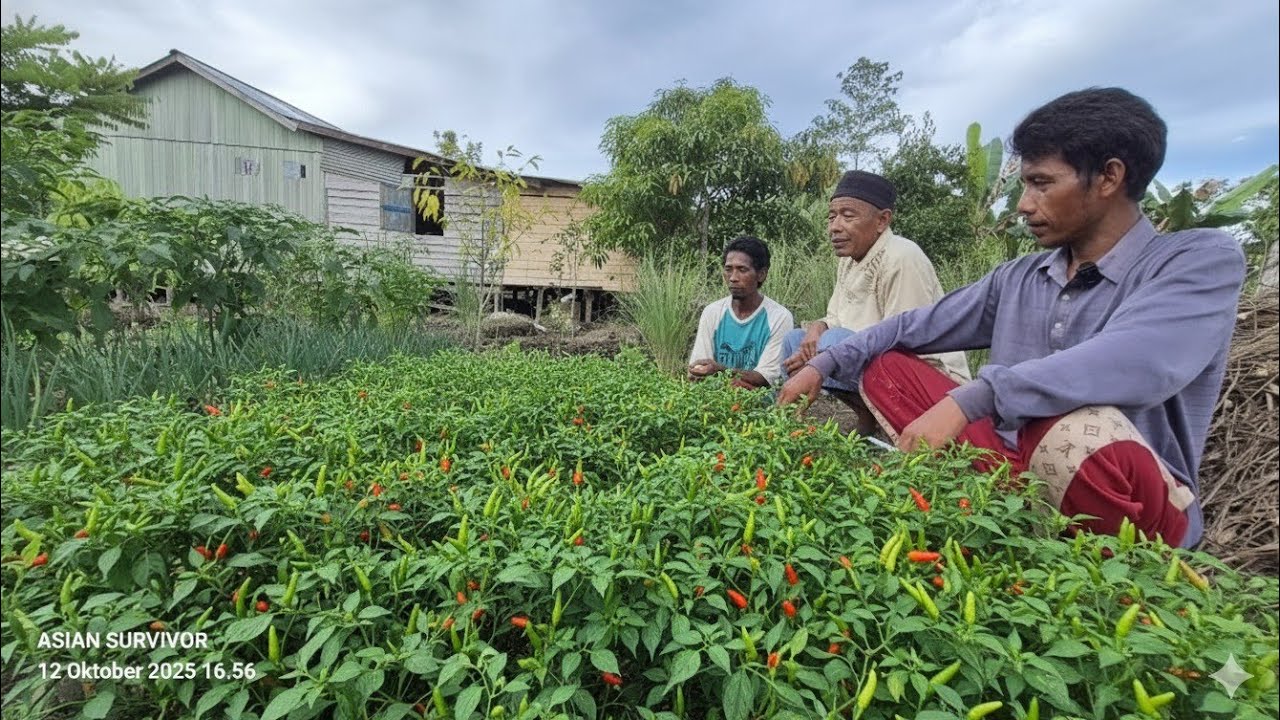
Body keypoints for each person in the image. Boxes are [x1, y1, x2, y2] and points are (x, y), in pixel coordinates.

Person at [777, 87, 1245, 549]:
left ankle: (1119, 569)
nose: (1023, 203)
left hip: (1126, 494)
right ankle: (1002, 516)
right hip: (1016, 465)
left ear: (1108, 178)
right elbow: (911, 325)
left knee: (1068, 424)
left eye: (1041, 183)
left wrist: (969, 400)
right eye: (1025, 184)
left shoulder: (1197, 259)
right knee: (883, 363)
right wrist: (823, 364)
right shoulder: (1021, 275)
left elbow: (1136, 361)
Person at [780, 170, 969, 429]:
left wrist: (826, 351)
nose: (835, 227)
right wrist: (816, 327)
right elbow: (835, 318)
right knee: (795, 341)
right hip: (872, 361)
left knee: (834, 343)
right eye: (832, 216)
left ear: (882, 220)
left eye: (848, 216)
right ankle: (787, 418)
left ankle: (882, 419)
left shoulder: (901, 257)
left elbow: (905, 341)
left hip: (930, 381)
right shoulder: (848, 261)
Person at [689, 236, 795, 389]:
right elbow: (699, 368)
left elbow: (765, 378)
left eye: (742, 270)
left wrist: (719, 370)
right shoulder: (712, 312)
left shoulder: (779, 317)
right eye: (728, 269)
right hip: (713, 401)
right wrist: (699, 372)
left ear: (761, 274)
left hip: (758, 407)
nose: (733, 278)